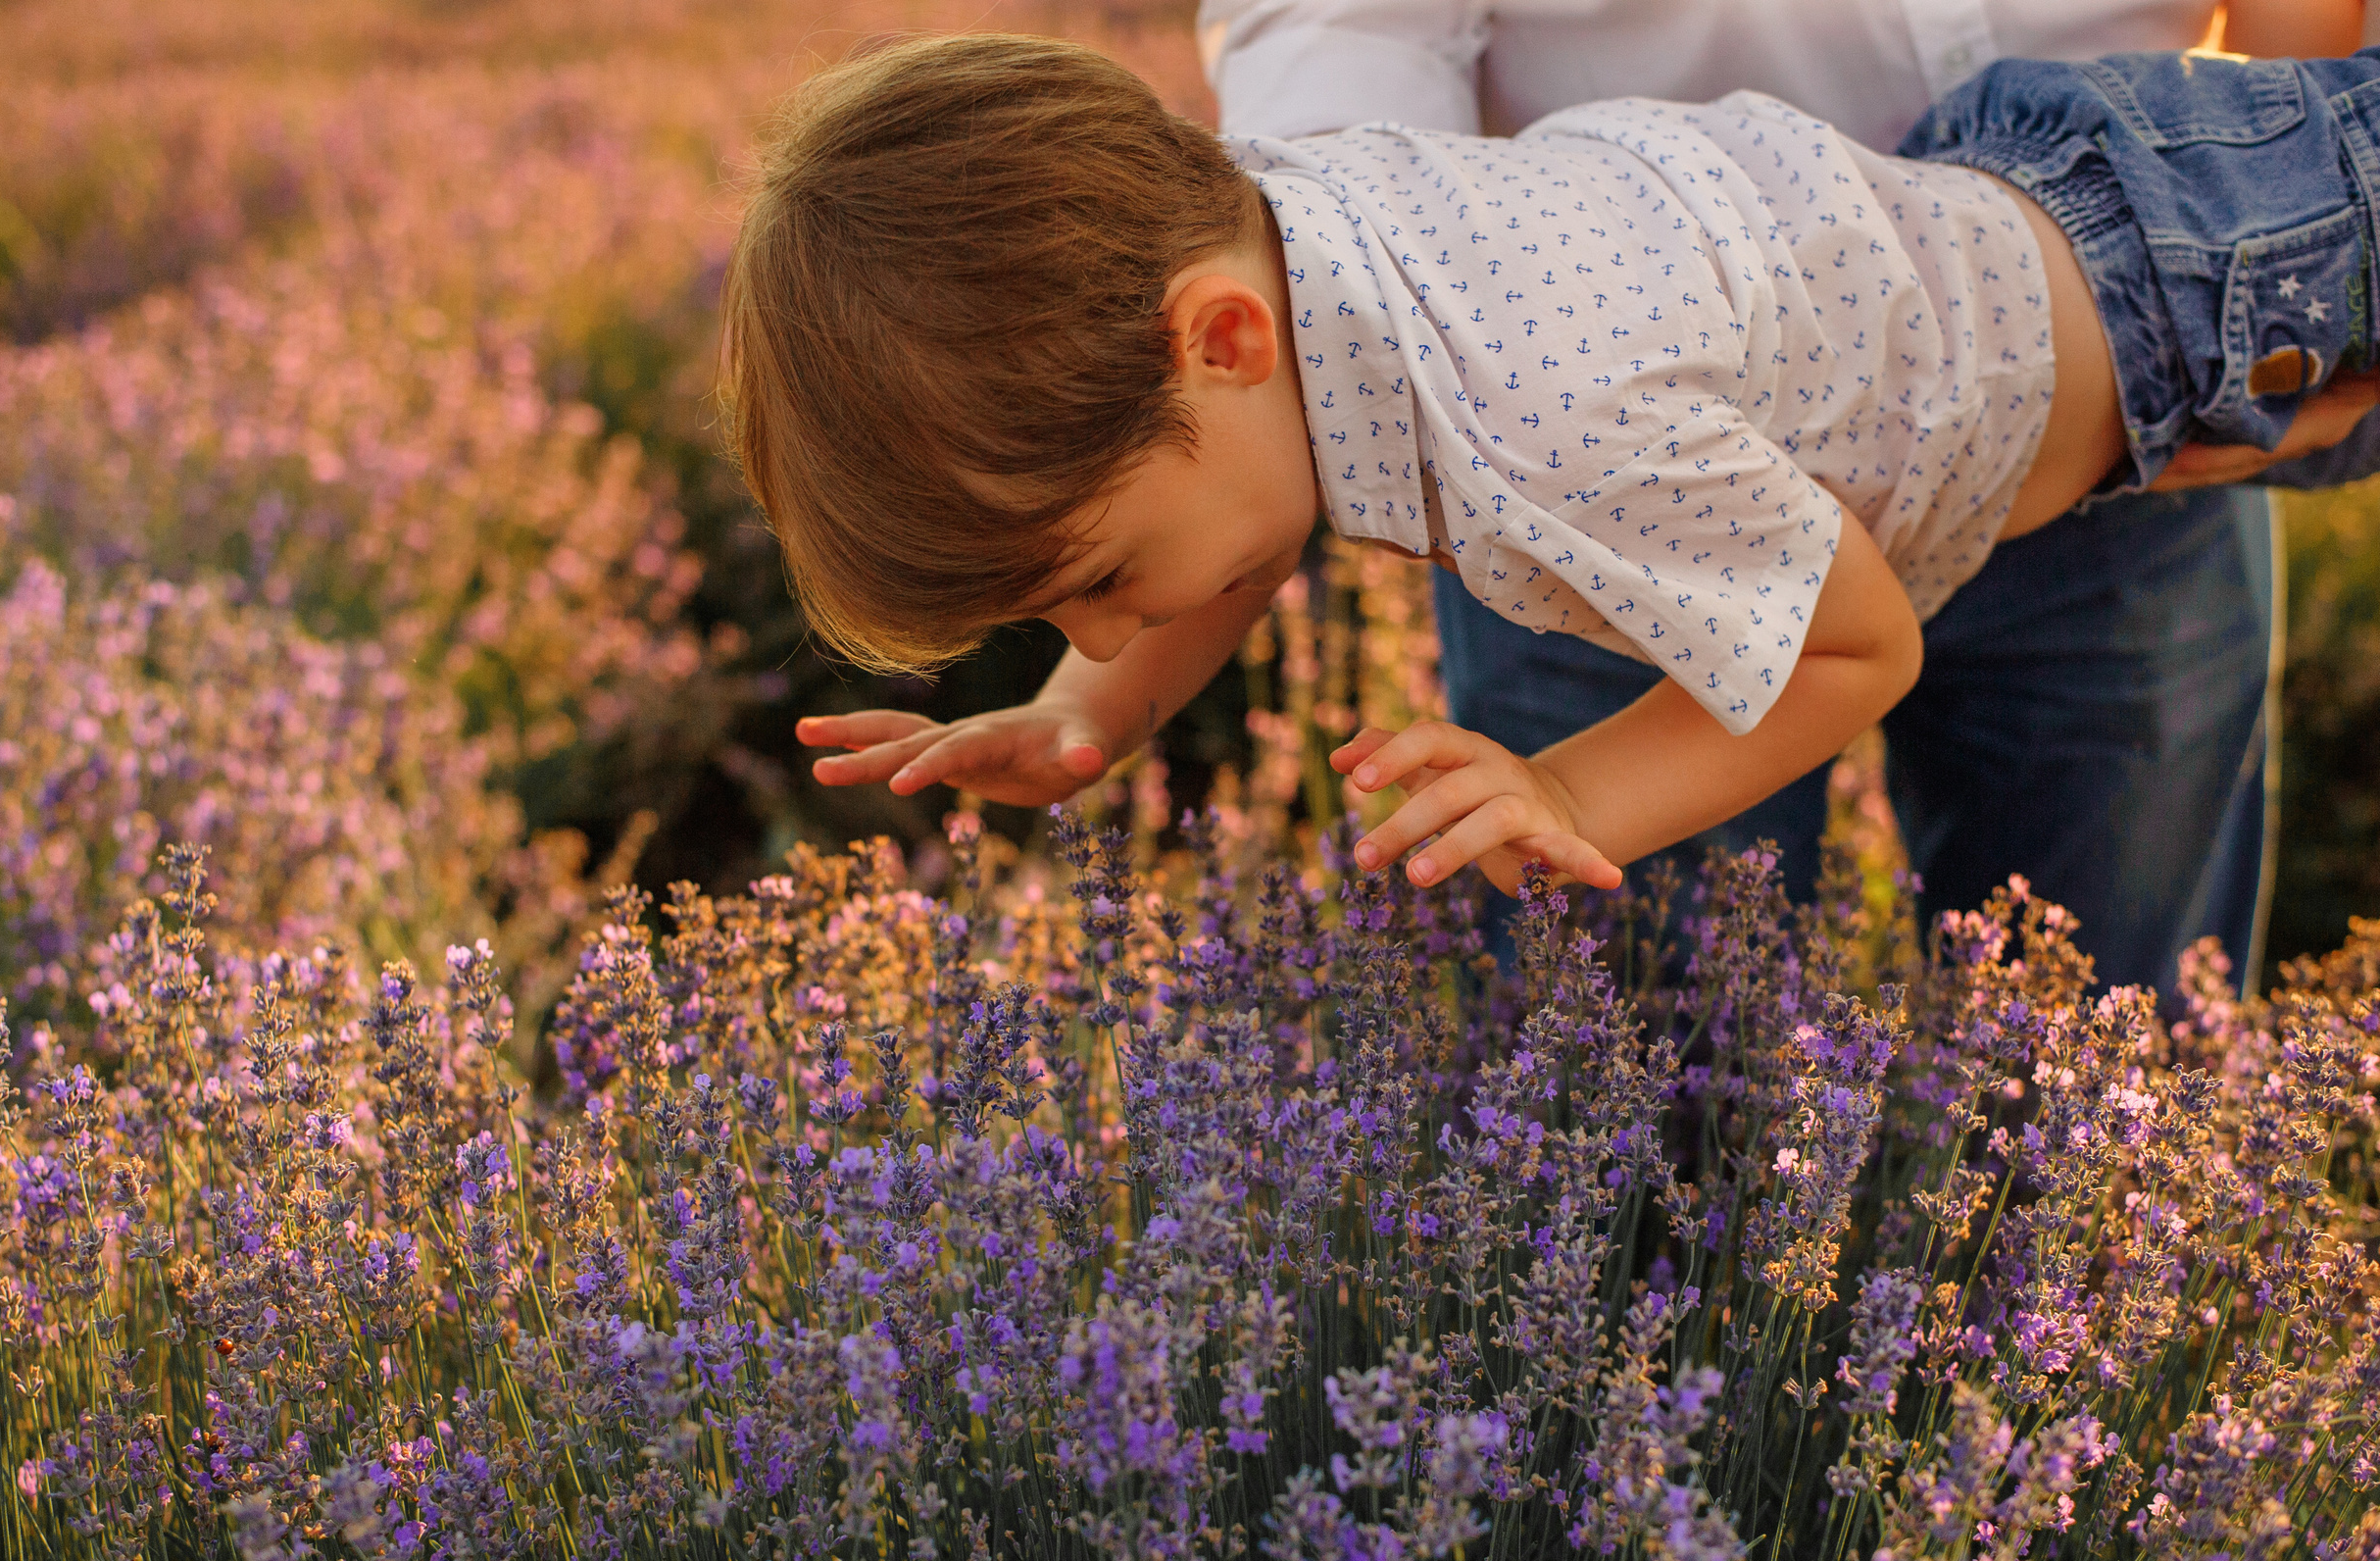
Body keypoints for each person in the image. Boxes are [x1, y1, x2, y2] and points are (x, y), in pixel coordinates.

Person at [731, 33, 2380, 948]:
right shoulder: (1277, 248)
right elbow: (1218, 505)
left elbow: (1854, 650)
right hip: (2005, 185)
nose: (1119, 615)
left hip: (2186, 279)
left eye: (1097, 577)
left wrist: (1575, 795)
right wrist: (1099, 702)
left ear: (1220, 337)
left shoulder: (1539, 427)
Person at [1192, 0, 2368, 997]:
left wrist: (2247, 240)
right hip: (1635, 453)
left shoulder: (1525, 420)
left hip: (2118, 286)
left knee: (2105, 1062)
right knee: (1630, 1107)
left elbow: (1852, 650)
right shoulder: (1536, 417)